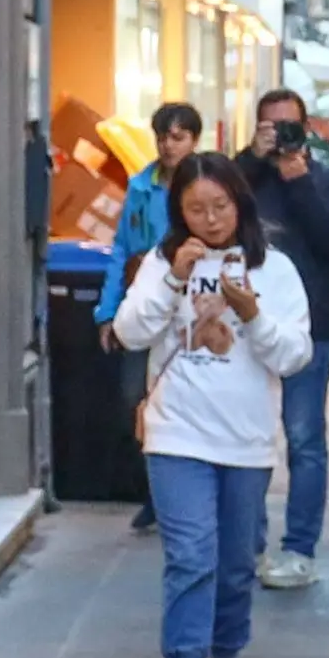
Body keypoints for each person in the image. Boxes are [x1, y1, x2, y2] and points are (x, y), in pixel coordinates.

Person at [109, 149, 314, 658]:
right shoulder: (162, 261)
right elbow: (129, 332)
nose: (210, 219)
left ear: (239, 203)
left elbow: (294, 355)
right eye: (195, 209)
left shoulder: (274, 268)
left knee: (234, 561)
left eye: (220, 206)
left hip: (245, 437)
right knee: (190, 554)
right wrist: (173, 276)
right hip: (177, 431)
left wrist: (252, 316)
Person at [237, 88, 329, 590]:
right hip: (247, 326)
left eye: (289, 126)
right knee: (249, 437)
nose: (281, 135)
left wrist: (300, 183)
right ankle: (250, 544)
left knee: (305, 441)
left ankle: (300, 548)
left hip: (312, 326)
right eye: (271, 126)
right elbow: (213, 214)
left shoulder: (327, 182)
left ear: (305, 131)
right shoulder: (242, 184)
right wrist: (251, 161)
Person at [96, 103, 206, 531]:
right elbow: (121, 249)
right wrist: (107, 311)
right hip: (144, 304)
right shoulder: (141, 187)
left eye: (177, 136)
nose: (168, 144)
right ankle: (155, 492)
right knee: (134, 398)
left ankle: (180, 493)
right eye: (162, 135)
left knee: (185, 398)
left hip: (189, 309)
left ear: (193, 140)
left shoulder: (203, 185)